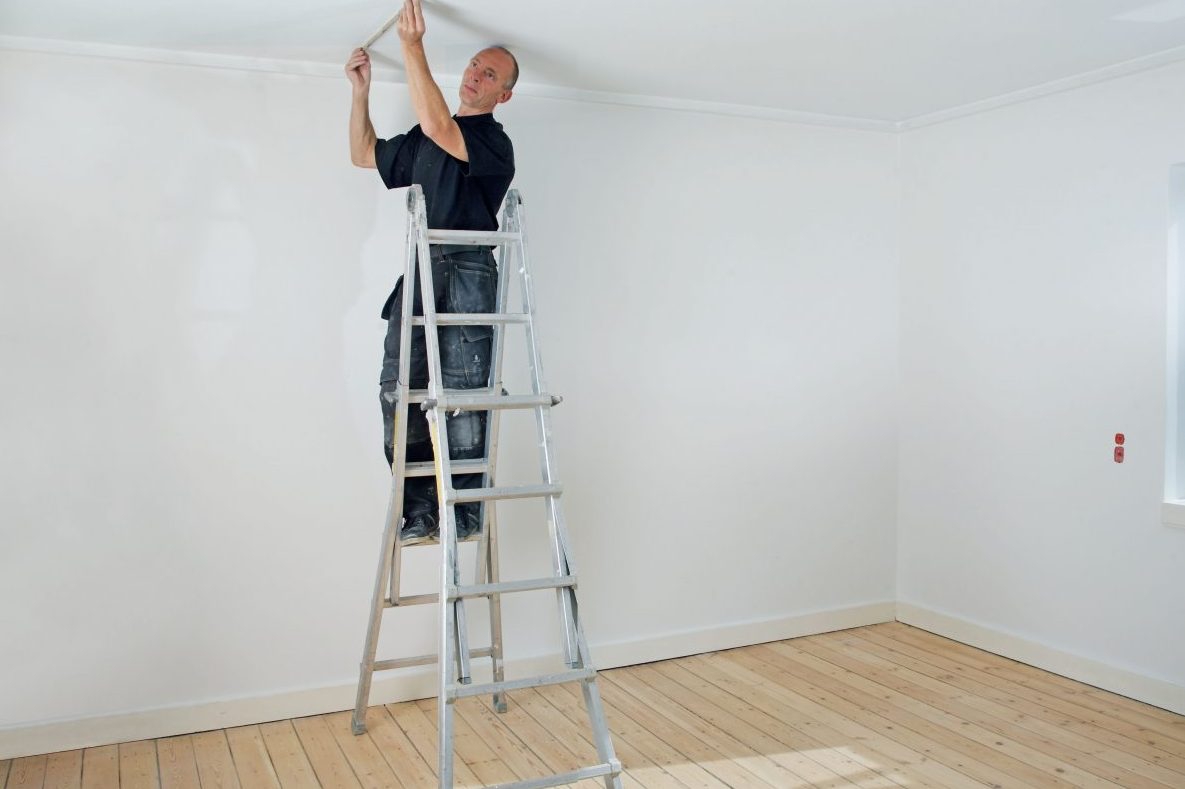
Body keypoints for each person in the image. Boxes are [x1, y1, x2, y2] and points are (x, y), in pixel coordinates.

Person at [345, 0, 518, 544]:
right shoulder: (424, 137)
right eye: (474, 65)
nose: (475, 75)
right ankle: (419, 510)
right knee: (400, 390)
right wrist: (361, 92)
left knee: (464, 392)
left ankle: (463, 509)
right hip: (419, 269)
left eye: (489, 75)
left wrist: (411, 46)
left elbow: (441, 124)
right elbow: (363, 153)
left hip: (467, 269)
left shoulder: (493, 142)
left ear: (503, 95)